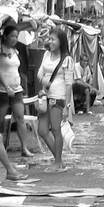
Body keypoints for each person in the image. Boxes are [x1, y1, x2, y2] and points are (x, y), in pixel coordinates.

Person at [0, 25, 38, 161]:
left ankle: (24, 148)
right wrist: (6, 87)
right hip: (1, 89)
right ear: (5, 36)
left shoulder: (15, 51)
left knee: (20, 118)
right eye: (12, 36)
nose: (14, 39)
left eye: (16, 37)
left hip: (17, 89)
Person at [33, 27, 75, 172]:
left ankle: (57, 162)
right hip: (45, 97)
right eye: (49, 38)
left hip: (58, 98)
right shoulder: (46, 54)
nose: (50, 41)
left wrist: (67, 106)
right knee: (43, 130)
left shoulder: (67, 59)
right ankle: (59, 160)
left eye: (53, 39)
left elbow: (69, 83)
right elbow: (39, 73)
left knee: (56, 129)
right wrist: (44, 81)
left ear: (61, 41)